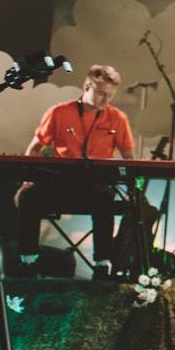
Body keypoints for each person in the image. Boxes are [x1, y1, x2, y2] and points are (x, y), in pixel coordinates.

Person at [16, 63, 134, 272]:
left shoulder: (118, 119)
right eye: (101, 93)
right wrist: (27, 181)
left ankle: (102, 265)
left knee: (105, 199)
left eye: (110, 95)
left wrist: (131, 189)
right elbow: (34, 148)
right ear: (87, 86)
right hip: (58, 183)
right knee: (28, 197)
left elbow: (128, 159)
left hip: (94, 186)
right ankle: (28, 261)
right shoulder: (59, 112)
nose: (105, 100)